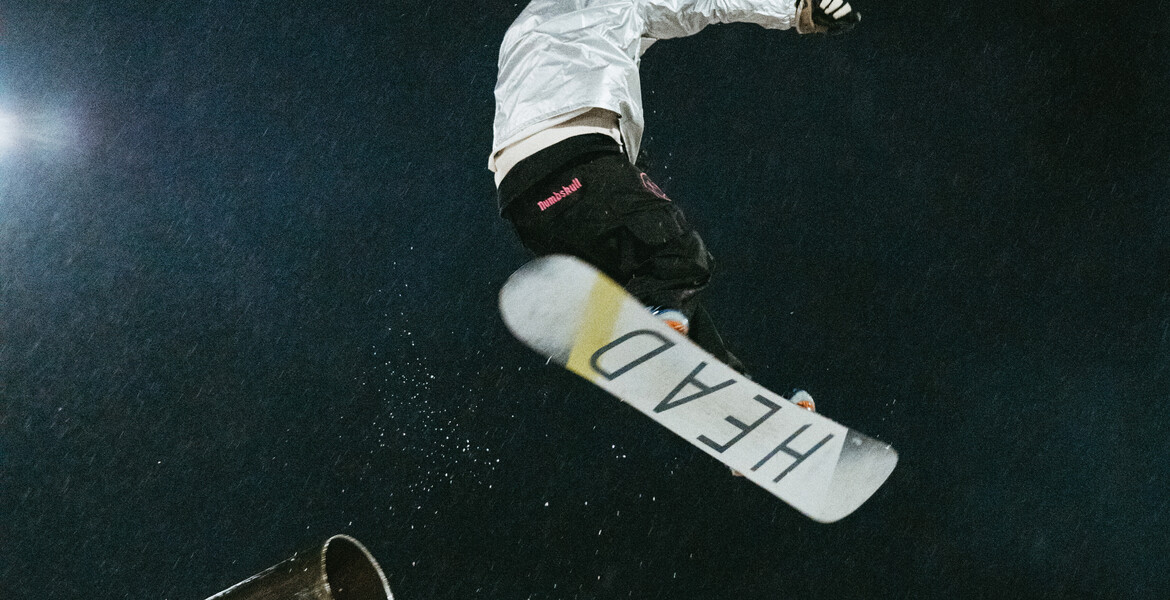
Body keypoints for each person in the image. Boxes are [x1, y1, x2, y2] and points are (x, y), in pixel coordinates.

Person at [490, 0, 860, 374]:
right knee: (678, 255)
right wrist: (797, 9)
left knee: (659, 288)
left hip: (524, 201)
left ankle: (721, 379)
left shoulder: (524, 26)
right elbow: (700, 4)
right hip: (578, 160)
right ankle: (653, 331)